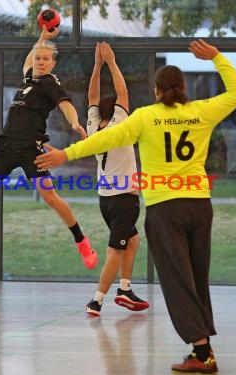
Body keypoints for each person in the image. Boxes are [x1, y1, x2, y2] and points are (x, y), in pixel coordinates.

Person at [35, 39, 236, 374]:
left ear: (157, 90)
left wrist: (66, 154)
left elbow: (104, 139)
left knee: (177, 280)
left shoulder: (146, 117)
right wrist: (218, 58)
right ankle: (203, 347)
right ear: (183, 88)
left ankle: (201, 349)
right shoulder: (202, 112)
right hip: (199, 207)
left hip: (166, 210)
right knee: (196, 277)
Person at [0, 25, 98, 270]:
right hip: (7, 146)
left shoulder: (49, 83)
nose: (40, 61)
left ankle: (82, 242)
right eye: (38, 58)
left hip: (31, 148)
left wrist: (74, 122)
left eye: (45, 59)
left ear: (52, 64)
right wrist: (42, 38)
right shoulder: (30, 79)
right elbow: (28, 61)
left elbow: (65, 104)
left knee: (50, 197)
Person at [84, 42, 148, 317]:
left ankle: (125, 288)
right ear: (119, 110)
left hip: (105, 202)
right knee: (115, 250)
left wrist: (97, 66)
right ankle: (97, 301)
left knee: (132, 242)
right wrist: (110, 62)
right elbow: (123, 91)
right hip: (124, 201)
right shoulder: (120, 124)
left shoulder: (92, 125)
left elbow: (92, 98)